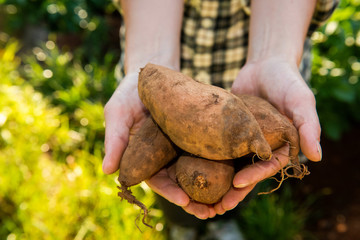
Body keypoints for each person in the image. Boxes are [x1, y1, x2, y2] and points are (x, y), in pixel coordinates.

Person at [103, 0, 338, 238]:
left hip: (262, 49)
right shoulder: (156, 84)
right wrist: (150, 54)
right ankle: (182, 226)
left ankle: (224, 223)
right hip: (172, 57)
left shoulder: (248, 125)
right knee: (178, 186)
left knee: (244, 177)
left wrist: (273, 55)